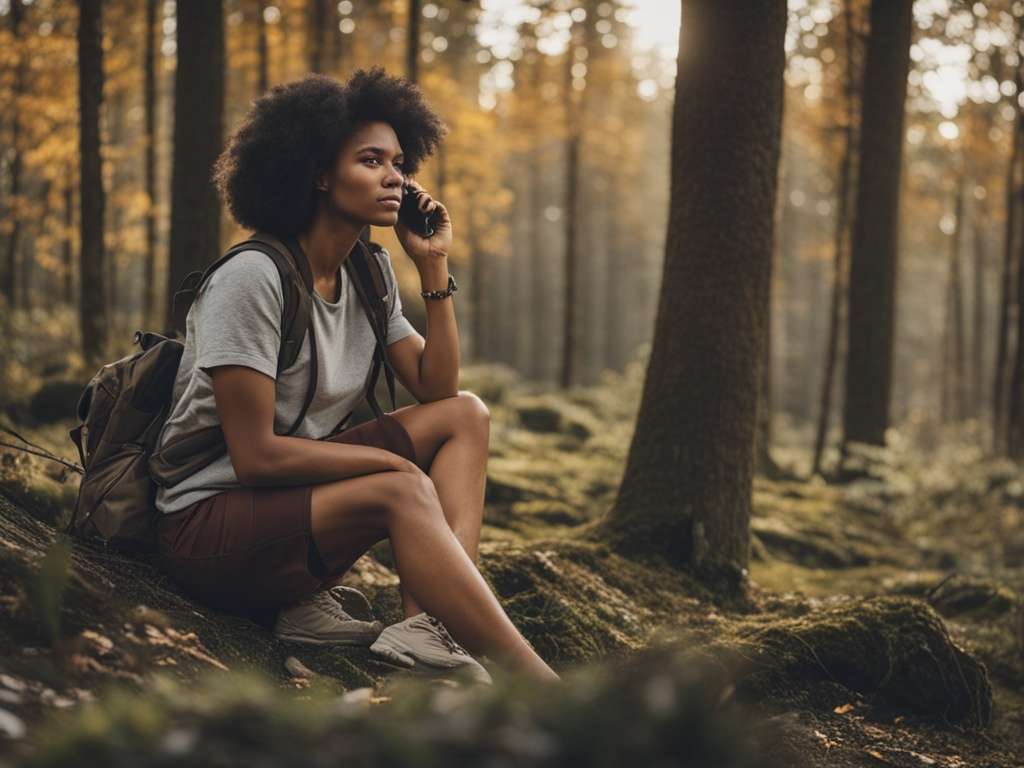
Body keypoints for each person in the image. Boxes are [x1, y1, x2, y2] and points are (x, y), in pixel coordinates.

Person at [153, 68, 559, 685]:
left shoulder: (366, 272)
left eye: (399, 162)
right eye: (372, 160)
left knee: (467, 415)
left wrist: (431, 265)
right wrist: (392, 468)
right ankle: (537, 683)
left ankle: (425, 628)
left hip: (284, 514)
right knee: (400, 488)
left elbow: (438, 390)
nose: (395, 176)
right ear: (318, 172)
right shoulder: (253, 278)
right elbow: (255, 456)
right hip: (206, 527)